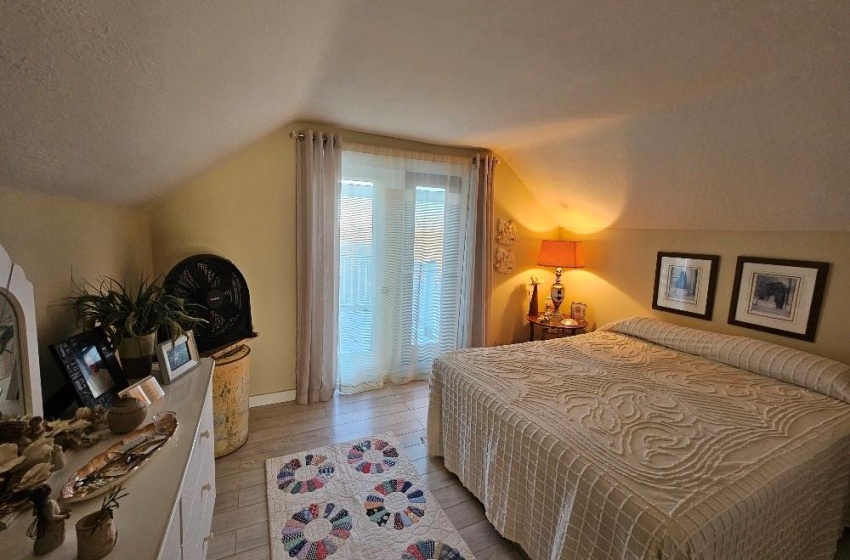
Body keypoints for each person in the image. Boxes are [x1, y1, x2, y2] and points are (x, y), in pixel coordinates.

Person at [27, 484, 71, 555]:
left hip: (44, 523)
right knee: (51, 535)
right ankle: (47, 547)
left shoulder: (39, 504)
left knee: (46, 535)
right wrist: (64, 516)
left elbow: (34, 513)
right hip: (52, 524)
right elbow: (51, 518)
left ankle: (42, 548)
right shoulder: (49, 504)